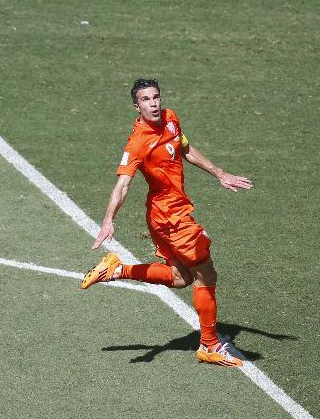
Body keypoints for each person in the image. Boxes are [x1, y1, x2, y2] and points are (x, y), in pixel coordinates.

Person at [81, 78, 252, 367]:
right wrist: (109, 219)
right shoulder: (138, 142)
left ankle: (117, 269)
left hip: (172, 213)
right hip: (169, 218)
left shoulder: (171, 119)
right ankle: (209, 345)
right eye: (146, 100)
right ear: (137, 106)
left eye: (156, 97)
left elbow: (185, 149)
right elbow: (122, 185)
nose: (154, 103)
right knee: (207, 276)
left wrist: (219, 172)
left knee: (180, 278)